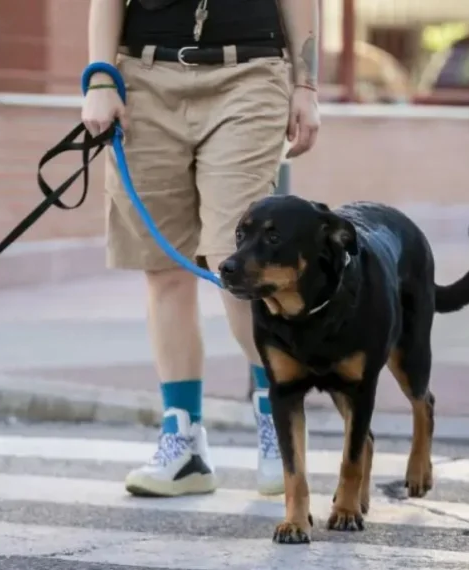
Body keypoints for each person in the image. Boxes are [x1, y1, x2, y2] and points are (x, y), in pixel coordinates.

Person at [81, 0, 320, 497]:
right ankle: (183, 442)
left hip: (249, 76)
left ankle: (277, 422)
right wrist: (101, 79)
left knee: (239, 264)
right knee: (163, 267)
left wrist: (306, 85)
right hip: (144, 79)